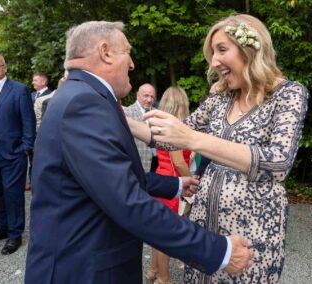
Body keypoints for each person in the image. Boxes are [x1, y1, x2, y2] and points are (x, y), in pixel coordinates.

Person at [24, 21, 254, 284]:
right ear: (105, 52)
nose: (132, 63)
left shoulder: (80, 95)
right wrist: (220, 251)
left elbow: (110, 179)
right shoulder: (83, 102)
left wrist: (176, 184)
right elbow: (127, 201)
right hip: (83, 269)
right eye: (128, 52)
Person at [132, 14, 309, 283]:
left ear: (251, 48)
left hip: (254, 228)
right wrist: (120, 119)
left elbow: (279, 162)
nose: (214, 61)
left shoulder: (289, 94)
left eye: (222, 50)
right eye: (213, 53)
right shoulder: (221, 97)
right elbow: (171, 137)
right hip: (206, 224)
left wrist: (194, 139)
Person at [0, 51, 36, 254]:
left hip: (12, 154)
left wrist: (25, 148)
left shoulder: (18, 90)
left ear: (5, 68)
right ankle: (2, 228)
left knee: (12, 195)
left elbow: (28, 122)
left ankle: (14, 235)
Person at [146, 86, 192, 284]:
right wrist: (192, 183)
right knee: (166, 236)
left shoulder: (161, 124)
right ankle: (164, 279)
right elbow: (179, 162)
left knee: (158, 232)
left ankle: (153, 271)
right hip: (174, 184)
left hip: (161, 180)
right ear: (182, 103)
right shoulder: (176, 127)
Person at [124, 83, 156, 173]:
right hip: (138, 166)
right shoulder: (126, 113)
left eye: (152, 97)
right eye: (146, 96)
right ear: (137, 95)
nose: (149, 100)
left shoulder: (157, 113)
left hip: (158, 166)